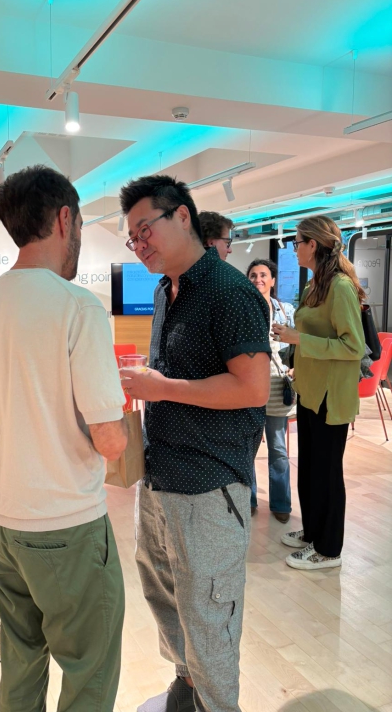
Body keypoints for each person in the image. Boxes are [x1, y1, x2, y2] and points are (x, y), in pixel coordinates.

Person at [0, 165, 128, 712]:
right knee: (89, 667)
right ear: (65, 219)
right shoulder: (78, 306)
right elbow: (110, 441)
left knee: (22, 657)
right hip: (65, 523)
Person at [119, 175, 270, 712]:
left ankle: (215, 703)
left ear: (182, 216)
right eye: (132, 237)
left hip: (209, 486)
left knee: (210, 615)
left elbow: (252, 388)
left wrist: (164, 388)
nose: (140, 244)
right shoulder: (167, 290)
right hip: (160, 476)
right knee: (165, 595)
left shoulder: (229, 292)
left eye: (145, 230)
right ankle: (187, 687)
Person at [273, 215, 365, 571]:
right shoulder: (316, 285)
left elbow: (352, 347)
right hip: (310, 391)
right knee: (310, 469)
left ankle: (328, 550)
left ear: (313, 244)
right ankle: (313, 532)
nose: (294, 249)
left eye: (297, 242)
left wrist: (299, 339)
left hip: (331, 396)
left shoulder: (340, 286)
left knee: (327, 473)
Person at [247, 258, 296, 523]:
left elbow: (297, 346)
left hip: (277, 387)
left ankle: (281, 503)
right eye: (253, 275)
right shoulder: (242, 309)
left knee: (278, 449)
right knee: (248, 449)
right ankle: (249, 499)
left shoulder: (285, 311)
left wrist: (295, 368)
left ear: (273, 280)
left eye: (263, 275)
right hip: (248, 388)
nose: (258, 279)